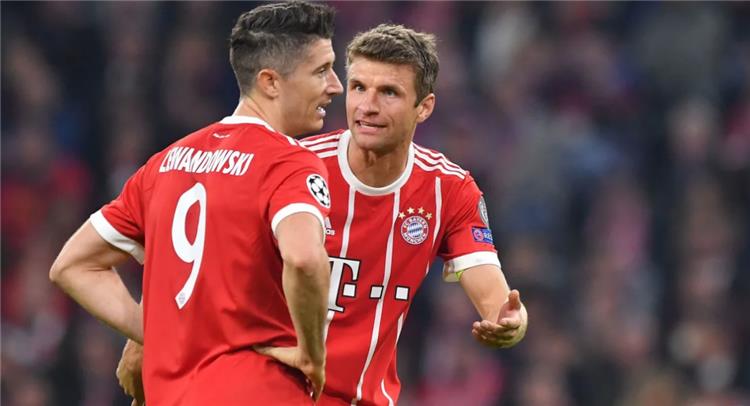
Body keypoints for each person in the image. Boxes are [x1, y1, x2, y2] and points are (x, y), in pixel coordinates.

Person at [118, 23, 528, 405]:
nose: (368, 106)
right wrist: (145, 336)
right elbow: (200, 259)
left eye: (389, 92)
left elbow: (495, 297)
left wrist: (512, 323)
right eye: (358, 87)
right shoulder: (289, 166)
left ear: (424, 107)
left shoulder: (449, 190)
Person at [49, 1, 343, 404]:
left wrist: (159, 335)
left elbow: (71, 265)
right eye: (321, 71)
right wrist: (312, 354)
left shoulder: (165, 163)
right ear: (270, 82)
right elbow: (305, 259)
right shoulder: (289, 162)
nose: (335, 85)